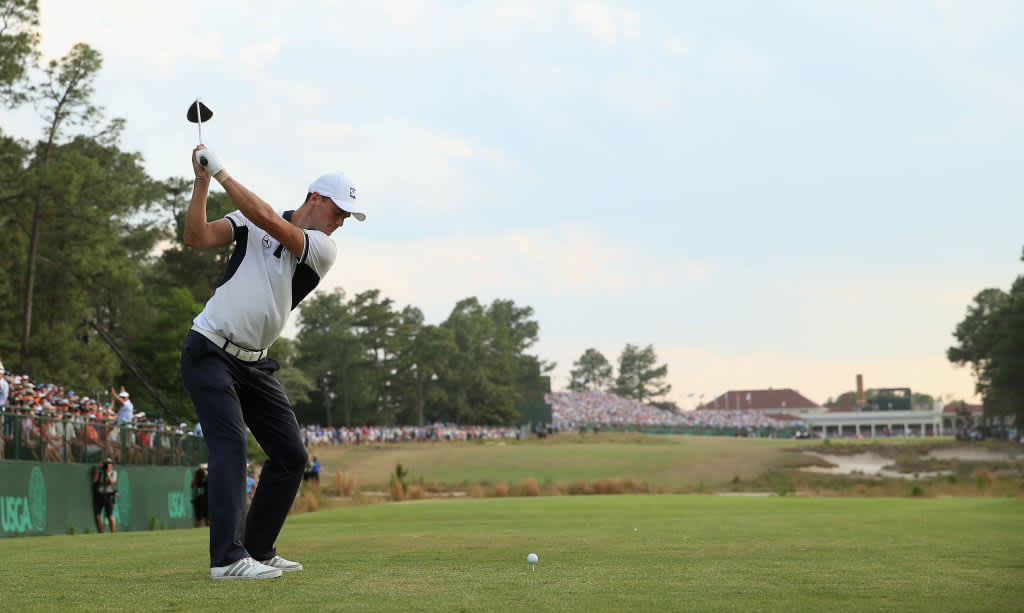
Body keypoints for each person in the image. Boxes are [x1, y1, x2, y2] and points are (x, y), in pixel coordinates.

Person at [180, 144, 364, 580]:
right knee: (231, 446)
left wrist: (221, 170)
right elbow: (197, 237)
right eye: (339, 212)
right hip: (209, 349)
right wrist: (203, 181)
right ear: (315, 199)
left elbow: (268, 220)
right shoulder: (248, 220)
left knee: (290, 455)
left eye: (346, 218)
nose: (341, 223)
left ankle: (258, 549)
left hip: (254, 365)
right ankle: (227, 559)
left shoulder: (321, 248)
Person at [91, 458, 118, 533]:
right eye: (106, 464)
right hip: (99, 494)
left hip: (108, 495)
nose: (107, 465)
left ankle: (113, 531)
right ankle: (101, 531)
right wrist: (99, 469)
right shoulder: (100, 472)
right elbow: (95, 480)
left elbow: (112, 482)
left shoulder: (114, 472)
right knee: (97, 515)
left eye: (109, 464)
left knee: (110, 515)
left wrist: (107, 473)